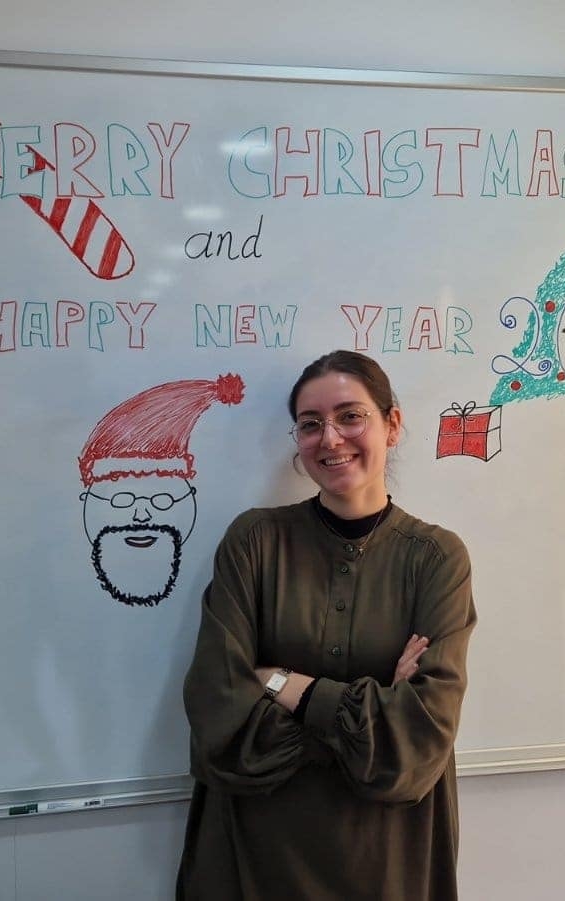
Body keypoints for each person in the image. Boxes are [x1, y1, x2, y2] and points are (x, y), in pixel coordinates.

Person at [177, 350, 477, 900]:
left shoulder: (436, 557)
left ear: (392, 424)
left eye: (350, 416)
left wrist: (278, 682)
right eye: (311, 424)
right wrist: (373, 712)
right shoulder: (254, 541)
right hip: (254, 852)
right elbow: (217, 717)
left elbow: (416, 748)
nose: (330, 438)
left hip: (389, 856)